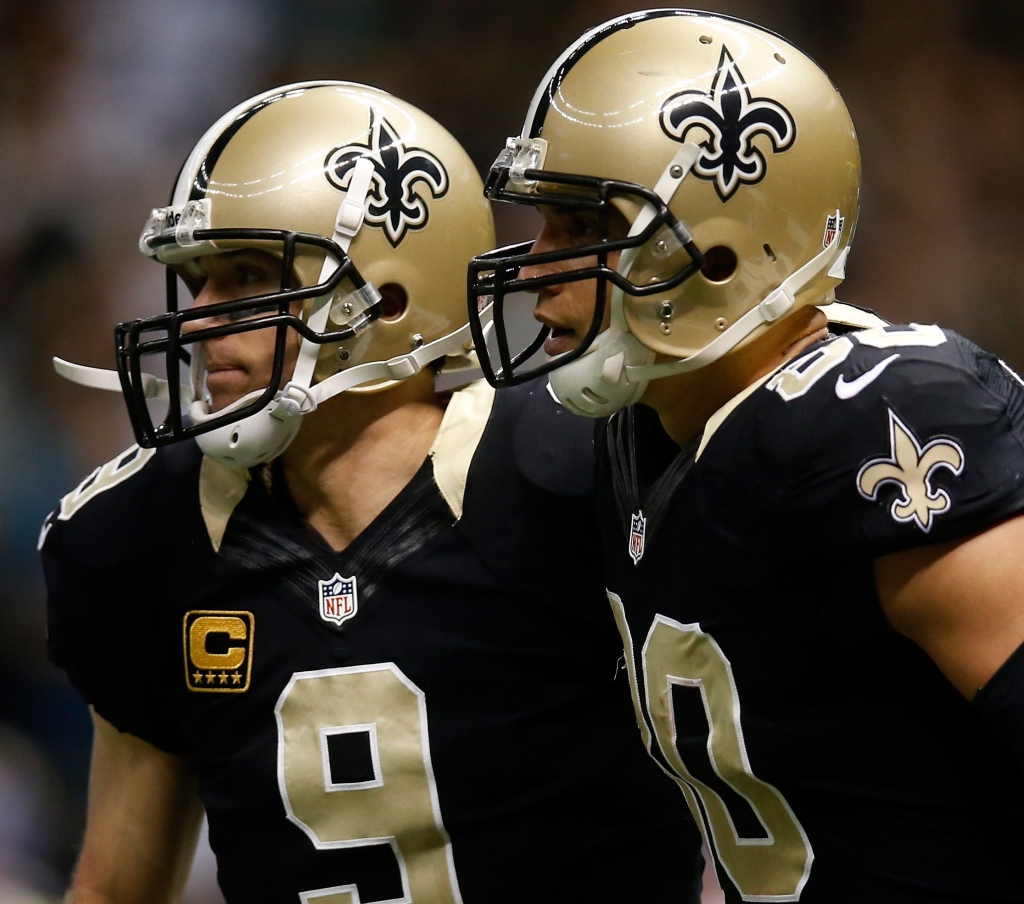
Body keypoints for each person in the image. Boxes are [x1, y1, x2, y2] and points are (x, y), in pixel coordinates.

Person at [40, 82, 705, 903]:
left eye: (247, 278)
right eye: (199, 280)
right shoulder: (144, 531)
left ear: (387, 299)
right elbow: (116, 885)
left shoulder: (581, 474)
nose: (202, 318)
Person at [466, 10, 1024, 902]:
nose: (535, 267)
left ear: (718, 249)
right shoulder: (632, 434)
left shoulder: (879, 415)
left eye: (577, 228)